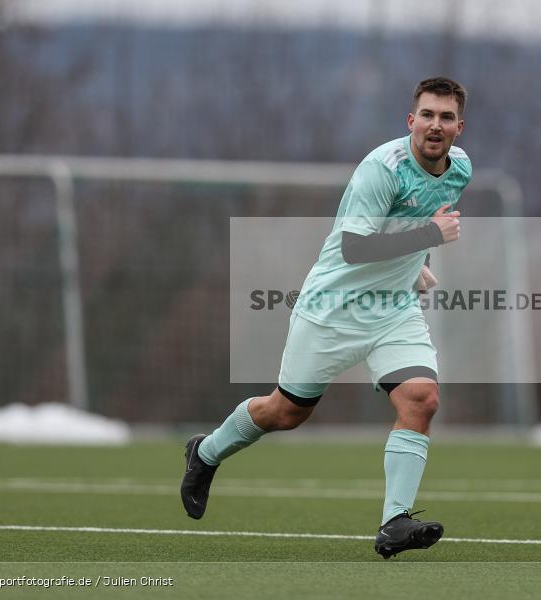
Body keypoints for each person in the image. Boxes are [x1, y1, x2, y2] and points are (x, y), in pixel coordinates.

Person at [181, 76, 471, 559]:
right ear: (410, 121)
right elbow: (355, 247)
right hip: (331, 308)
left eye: (445, 117)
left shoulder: (460, 168)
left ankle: (393, 523)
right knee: (286, 412)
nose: (434, 125)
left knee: (421, 399)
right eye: (426, 115)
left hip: (391, 310)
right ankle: (205, 452)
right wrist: (427, 240)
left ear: (459, 127)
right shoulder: (381, 170)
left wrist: (418, 266)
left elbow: (428, 217)